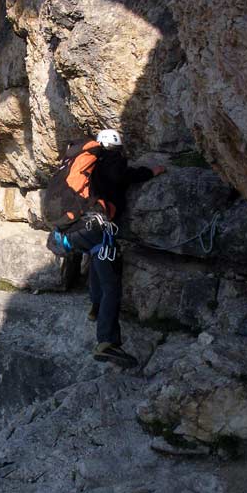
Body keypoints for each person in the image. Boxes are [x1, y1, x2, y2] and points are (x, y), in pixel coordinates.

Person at [88, 129, 165, 366]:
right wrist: (149, 172)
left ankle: (95, 307)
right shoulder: (111, 160)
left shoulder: (90, 163)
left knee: (95, 259)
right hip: (103, 225)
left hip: (86, 224)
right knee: (112, 285)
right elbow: (120, 176)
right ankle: (106, 342)